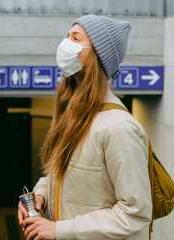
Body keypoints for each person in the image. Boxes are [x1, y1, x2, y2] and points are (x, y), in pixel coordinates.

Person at [18, 14, 152, 240]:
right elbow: (64, 176)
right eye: (67, 35)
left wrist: (57, 230)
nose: (65, 43)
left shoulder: (119, 128)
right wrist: (41, 194)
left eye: (75, 37)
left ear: (97, 55)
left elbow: (135, 212)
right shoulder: (75, 114)